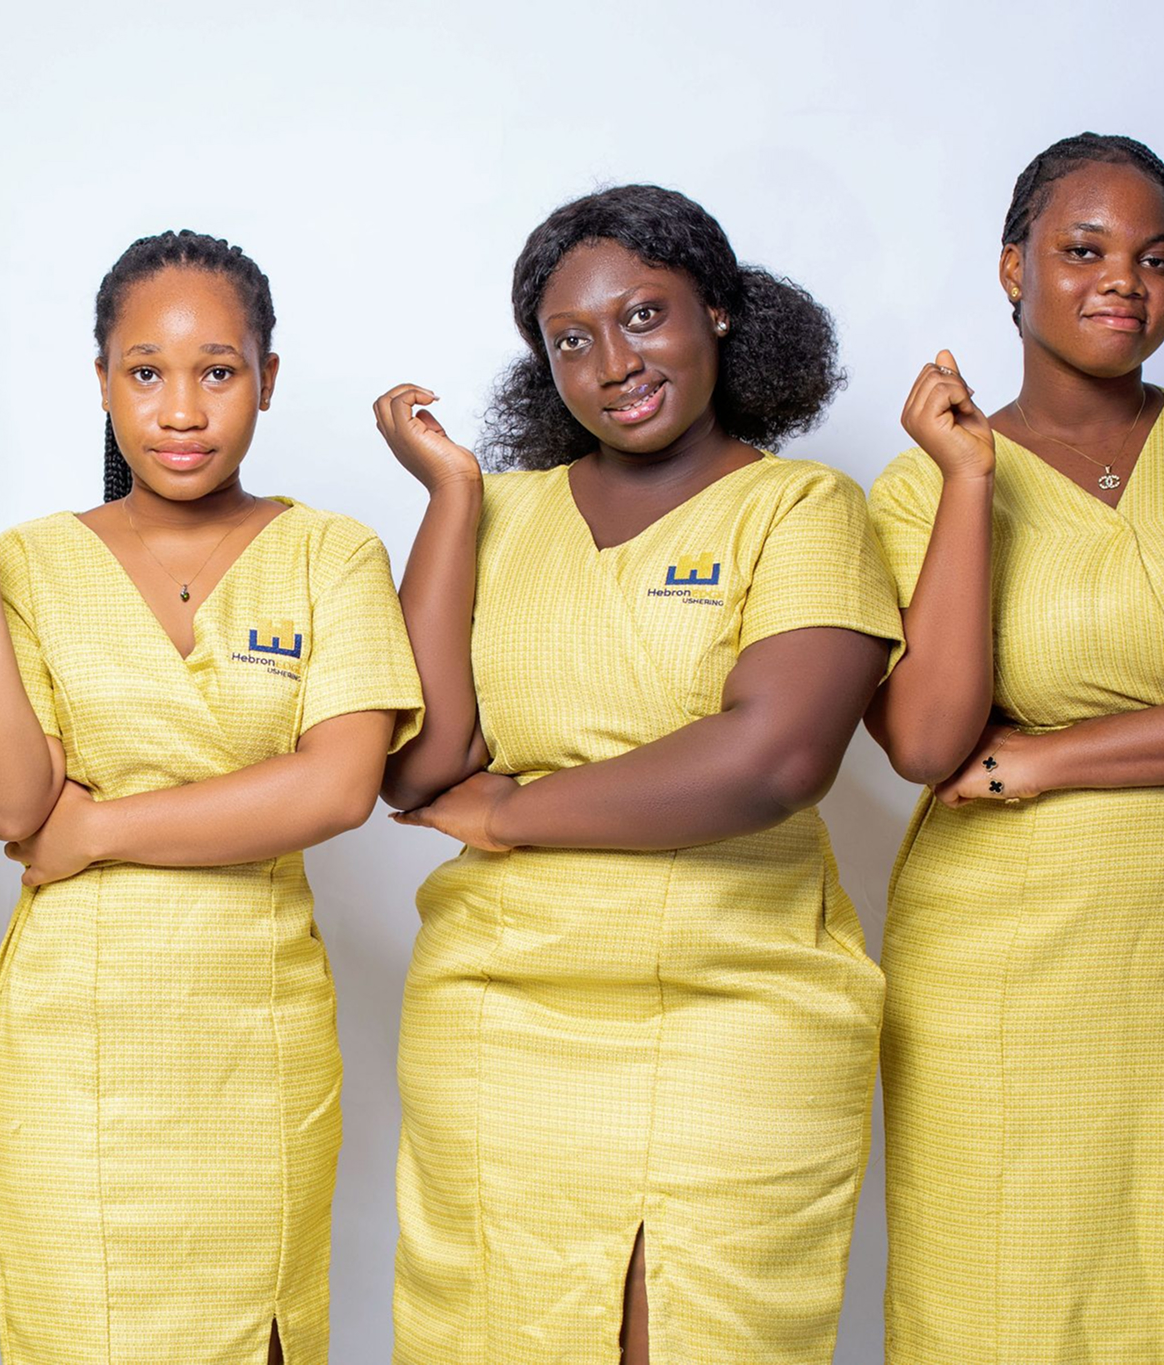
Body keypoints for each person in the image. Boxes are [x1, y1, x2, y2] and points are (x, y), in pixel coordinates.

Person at [381, 184, 900, 1364]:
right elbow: (417, 766)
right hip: (497, 1012)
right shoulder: (497, 514)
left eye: (642, 315)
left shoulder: (800, 508)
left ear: (716, 309)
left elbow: (773, 757)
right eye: (569, 340)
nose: (612, 363)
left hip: (738, 1009)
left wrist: (512, 812)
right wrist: (451, 500)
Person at [0, 229, 421, 1364]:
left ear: (268, 379)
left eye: (217, 371)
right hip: (76, 1040)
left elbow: (338, 785)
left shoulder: (331, 553)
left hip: (257, 1031)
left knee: (257, 1329)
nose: (181, 410)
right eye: (145, 372)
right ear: (102, 381)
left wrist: (98, 827)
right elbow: (9, 804)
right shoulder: (30, 560)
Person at [867, 132, 1164, 1365]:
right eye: (1082, 250)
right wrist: (966, 478)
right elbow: (925, 738)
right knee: (984, 1302)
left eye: (1155, 258)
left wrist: (1045, 759)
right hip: (989, 966)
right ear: (1013, 268)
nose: (1122, 283)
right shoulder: (916, 488)